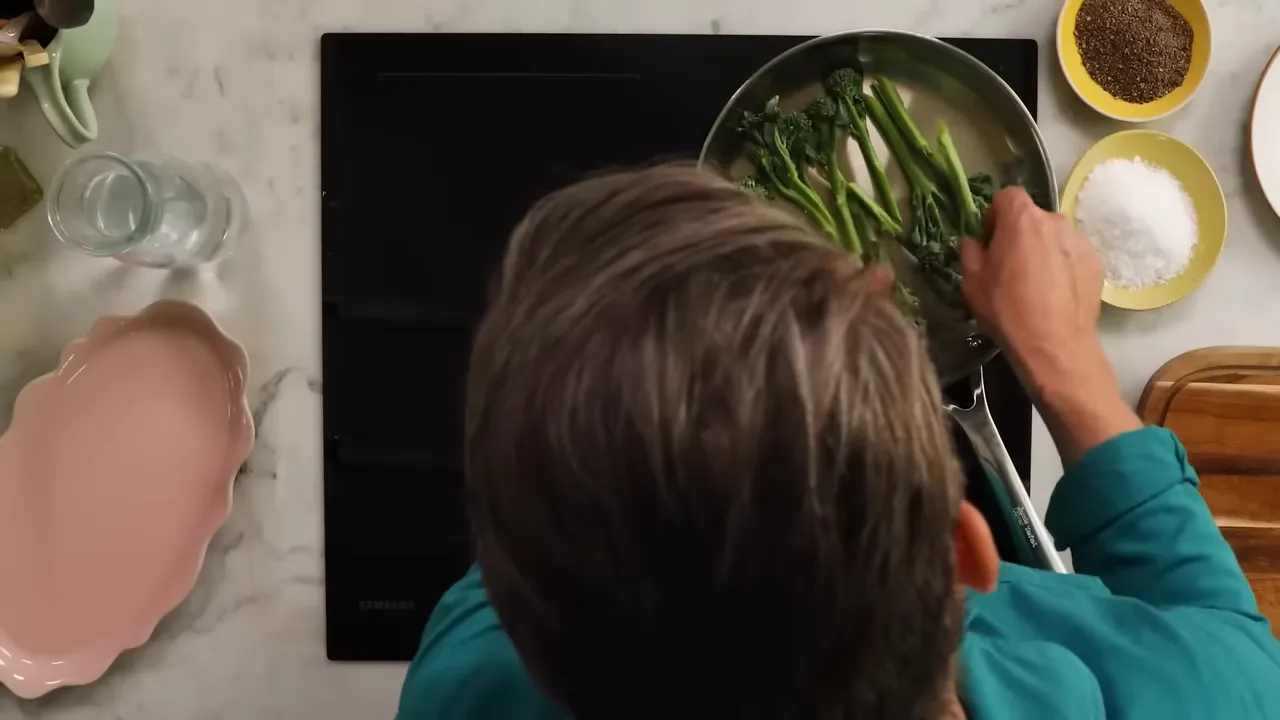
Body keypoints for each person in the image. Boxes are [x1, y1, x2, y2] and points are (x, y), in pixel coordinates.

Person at [396, 165, 1280, 719]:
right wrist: (1064, 359)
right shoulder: (1176, 695)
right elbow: (1235, 645)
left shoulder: (464, 681)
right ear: (965, 551)